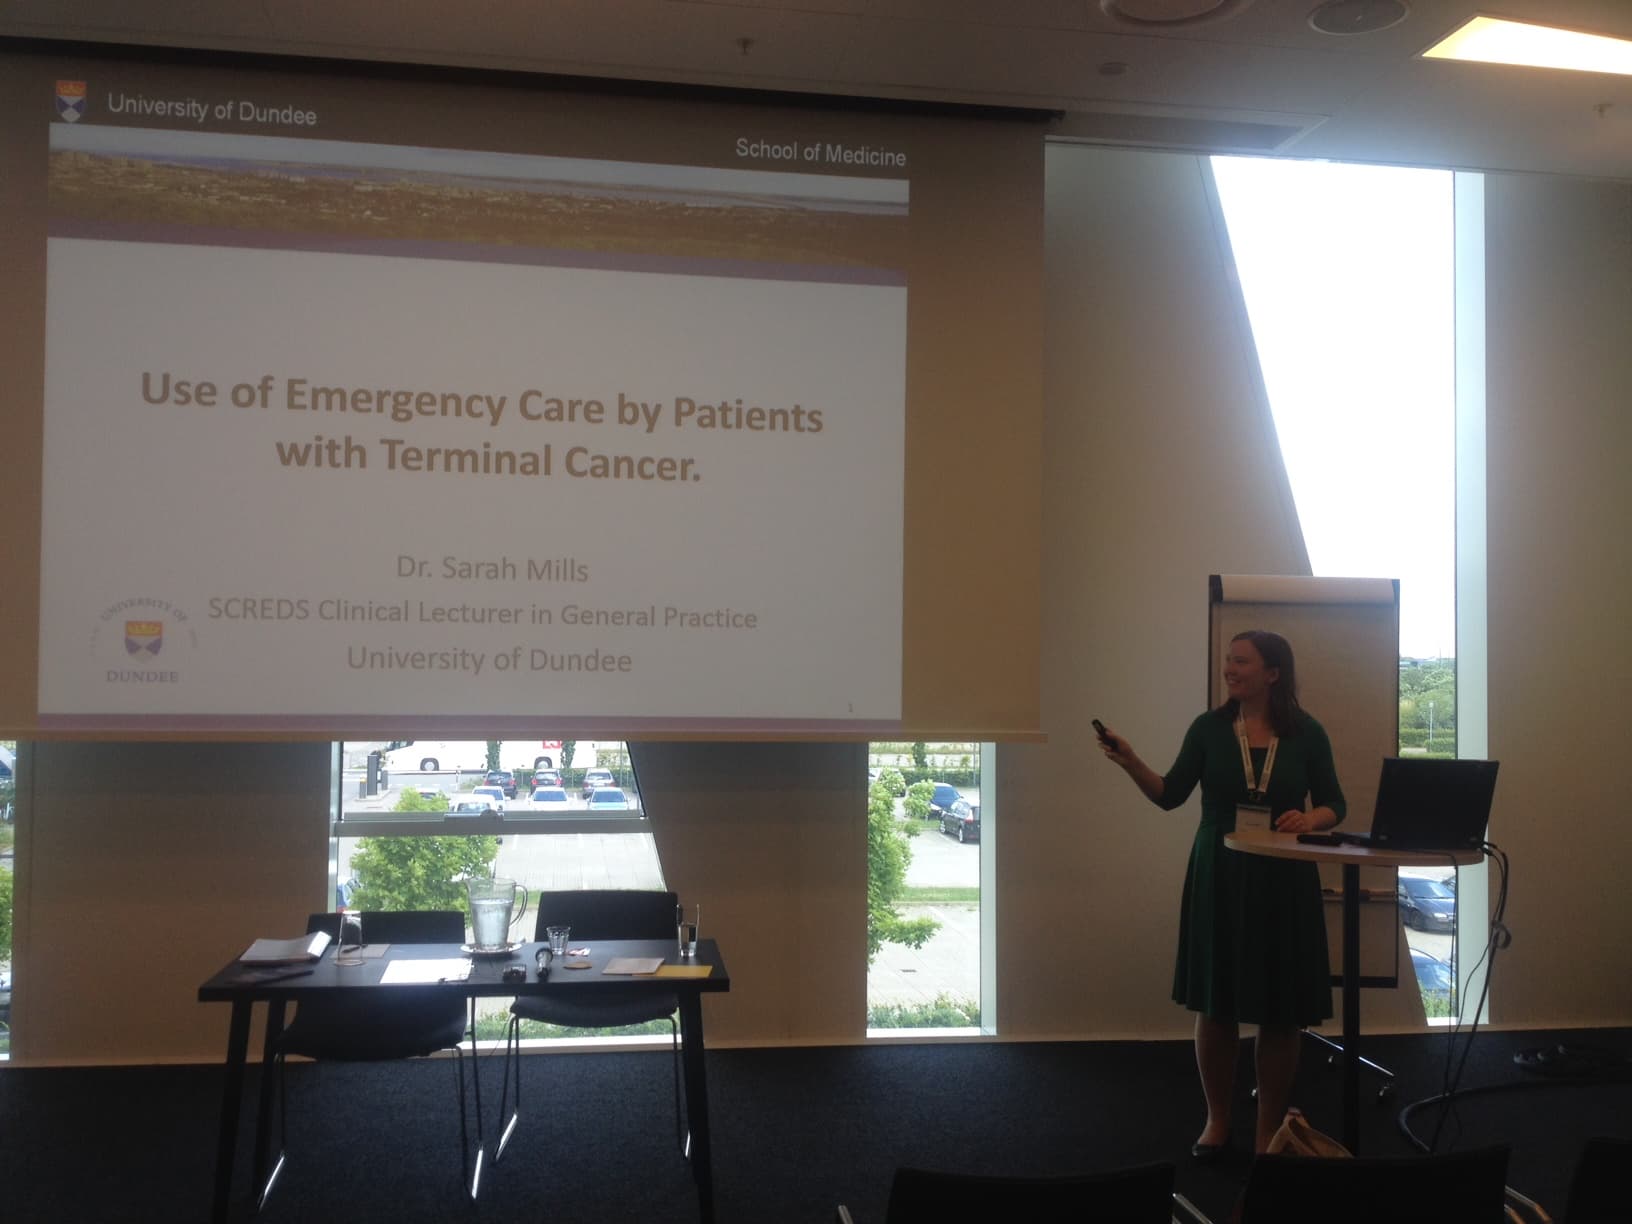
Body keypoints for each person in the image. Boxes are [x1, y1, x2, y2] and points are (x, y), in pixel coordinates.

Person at [1098, 629, 1345, 1158]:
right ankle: (1218, 1119)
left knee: (1280, 1009)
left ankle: (1267, 1130)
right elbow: (1170, 795)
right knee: (1217, 1003)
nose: (1229, 669)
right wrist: (1130, 760)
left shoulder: (1307, 733)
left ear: (1272, 673)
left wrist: (1311, 819)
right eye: (1228, 660)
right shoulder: (1208, 730)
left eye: (1241, 661)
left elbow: (1334, 804)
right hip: (1221, 873)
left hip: (1283, 875)